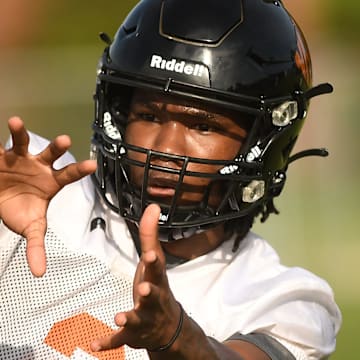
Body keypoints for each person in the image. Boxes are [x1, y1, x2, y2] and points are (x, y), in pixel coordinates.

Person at [0, 0, 341, 359]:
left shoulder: (281, 299)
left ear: (260, 145)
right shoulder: (40, 199)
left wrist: (177, 338)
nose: (165, 148)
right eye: (148, 115)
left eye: (203, 126)